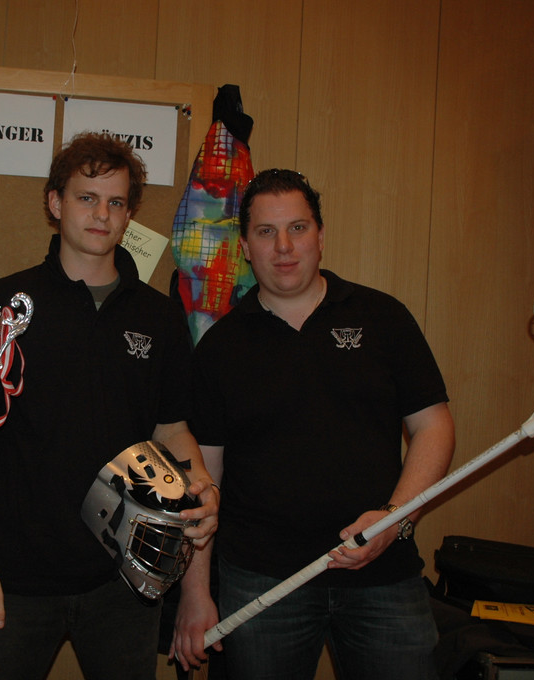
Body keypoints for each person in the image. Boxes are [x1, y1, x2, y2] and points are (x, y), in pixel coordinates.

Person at [173, 169, 455, 679]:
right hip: (260, 583)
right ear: (246, 247)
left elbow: (434, 427)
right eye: (266, 232)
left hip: (384, 576)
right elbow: (202, 485)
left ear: (320, 236)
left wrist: (395, 518)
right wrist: (195, 594)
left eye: (297, 228)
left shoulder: (383, 318)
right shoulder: (220, 348)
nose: (283, 246)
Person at [0, 132, 219, 680]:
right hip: (15, 575)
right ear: (55, 203)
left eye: (116, 202)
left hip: (125, 577)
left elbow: (172, 427)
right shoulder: (5, 304)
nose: (102, 214)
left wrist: (199, 483)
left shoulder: (159, 317)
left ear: (129, 214)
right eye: (87, 198)